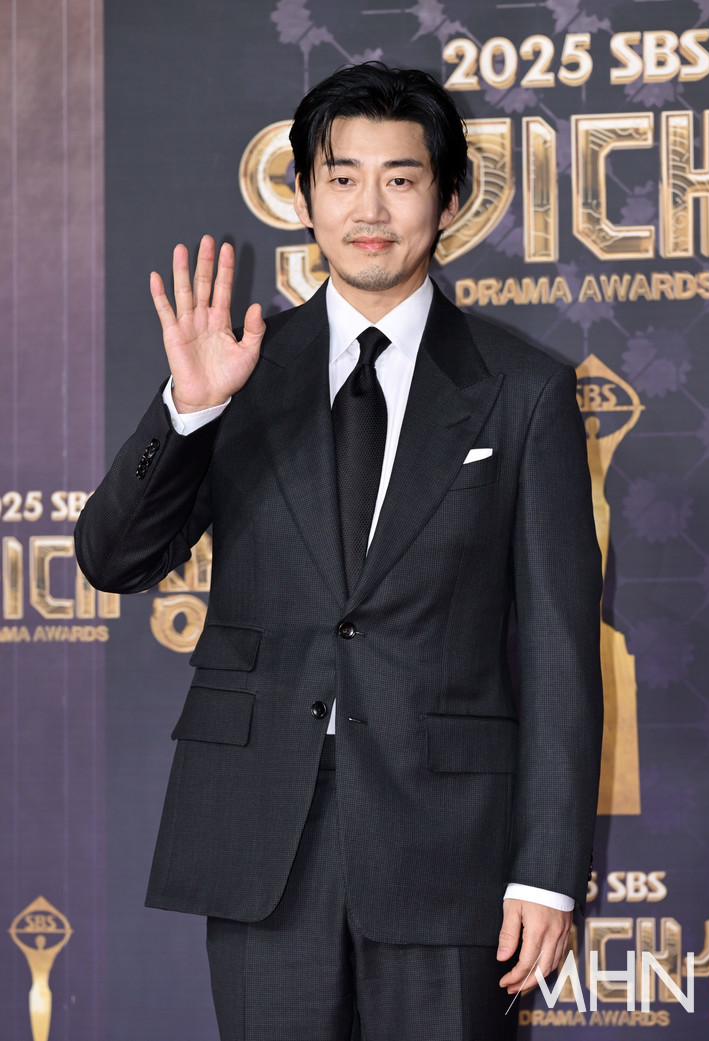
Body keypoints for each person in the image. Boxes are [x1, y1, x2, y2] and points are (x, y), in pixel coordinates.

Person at [75, 62, 603, 1041]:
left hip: (449, 841)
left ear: (449, 199)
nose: (370, 209)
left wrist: (547, 871)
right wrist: (189, 410)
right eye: (343, 177)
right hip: (261, 833)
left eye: (401, 179)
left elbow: (561, 650)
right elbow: (113, 560)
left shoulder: (524, 390)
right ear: (303, 198)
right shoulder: (238, 368)